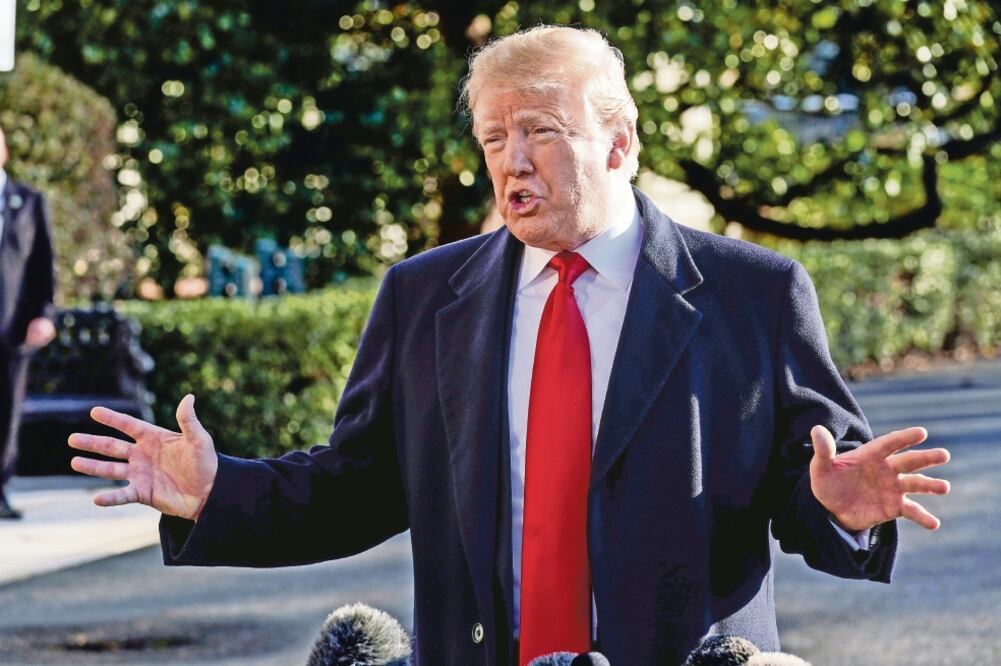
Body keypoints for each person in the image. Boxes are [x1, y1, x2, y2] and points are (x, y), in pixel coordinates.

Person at [68, 26, 952, 665]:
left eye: (540, 131)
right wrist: (220, 493)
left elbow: (814, 490)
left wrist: (835, 505)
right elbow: (359, 486)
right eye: (494, 136)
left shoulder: (751, 294)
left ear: (619, 141)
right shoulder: (422, 297)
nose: (511, 161)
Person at [0, 125, 57, 519]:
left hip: (12, 328)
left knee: (5, 413)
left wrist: (45, 315)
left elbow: (44, 268)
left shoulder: (29, 201)